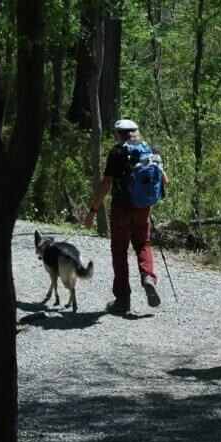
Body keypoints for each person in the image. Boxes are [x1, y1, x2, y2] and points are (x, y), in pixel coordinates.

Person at [85, 119, 170, 314]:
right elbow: (166, 180)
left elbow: (107, 182)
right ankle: (148, 277)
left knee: (120, 252)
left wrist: (92, 210)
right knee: (143, 245)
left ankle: (123, 300)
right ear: (136, 132)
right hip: (143, 209)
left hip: (122, 208)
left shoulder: (118, 151)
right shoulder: (152, 150)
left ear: (119, 134)